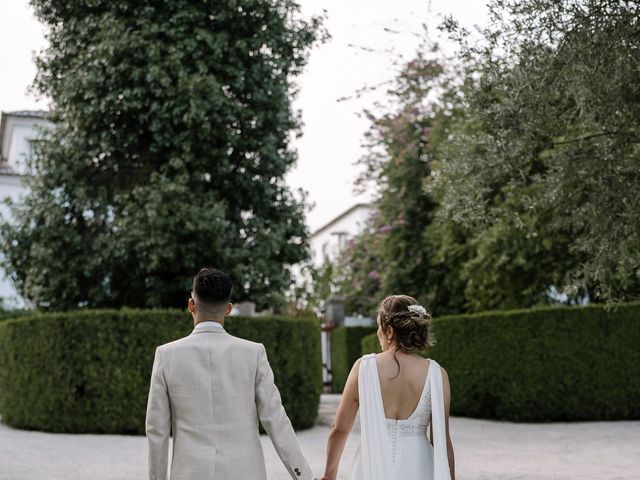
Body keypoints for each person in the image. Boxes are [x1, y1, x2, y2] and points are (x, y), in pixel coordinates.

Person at [146, 267, 316, 480]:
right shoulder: (253, 353)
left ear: (191, 305)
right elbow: (276, 418)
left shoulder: (166, 355)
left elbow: (157, 431)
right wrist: (305, 477)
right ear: (228, 309)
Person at [322, 294, 455, 480]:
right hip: (418, 468)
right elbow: (442, 440)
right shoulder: (437, 374)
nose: (378, 333)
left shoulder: (363, 368)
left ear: (390, 331)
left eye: (379, 326)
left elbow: (340, 429)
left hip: (370, 465)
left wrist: (329, 475)